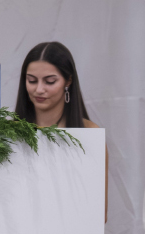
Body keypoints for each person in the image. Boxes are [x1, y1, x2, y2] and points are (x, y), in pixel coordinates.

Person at [13, 41, 106, 220]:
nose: (39, 89)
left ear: (68, 81)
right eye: (31, 80)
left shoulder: (90, 134)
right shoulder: (10, 132)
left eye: (50, 81)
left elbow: (99, 213)